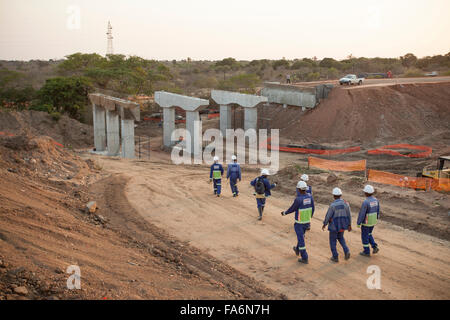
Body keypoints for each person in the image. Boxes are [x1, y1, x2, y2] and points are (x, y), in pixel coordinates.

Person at [281, 181, 315, 264]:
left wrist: (285, 213)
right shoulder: (310, 197)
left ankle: (305, 257)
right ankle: (297, 249)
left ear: (299, 189)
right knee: (301, 236)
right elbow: (313, 208)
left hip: (299, 222)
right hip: (307, 221)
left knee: (301, 238)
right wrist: (309, 217)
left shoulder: (298, 199)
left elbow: (292, 209)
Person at [322, 187, 352, 263]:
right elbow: (349, 215)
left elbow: (328, 216)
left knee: (332, 241)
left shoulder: (333, 205)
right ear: (340, 195)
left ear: (333, 196)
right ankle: (346, 251)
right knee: (341, 238)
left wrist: (324, 224)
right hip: (342, 226)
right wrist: (349, 225)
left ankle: (335, 257)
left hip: (334, 226)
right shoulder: (346, 203)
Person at [357, 185, 380, 257]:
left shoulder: (366, 202)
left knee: (364, 236)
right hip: (373, 221)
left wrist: (359, 222)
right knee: (369, 234)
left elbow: (362, 213)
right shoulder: (376, 200)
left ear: (366, 193)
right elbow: (378, 211)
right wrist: (376, 219)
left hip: (366, 222)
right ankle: (374, 246)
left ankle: (366, 251)